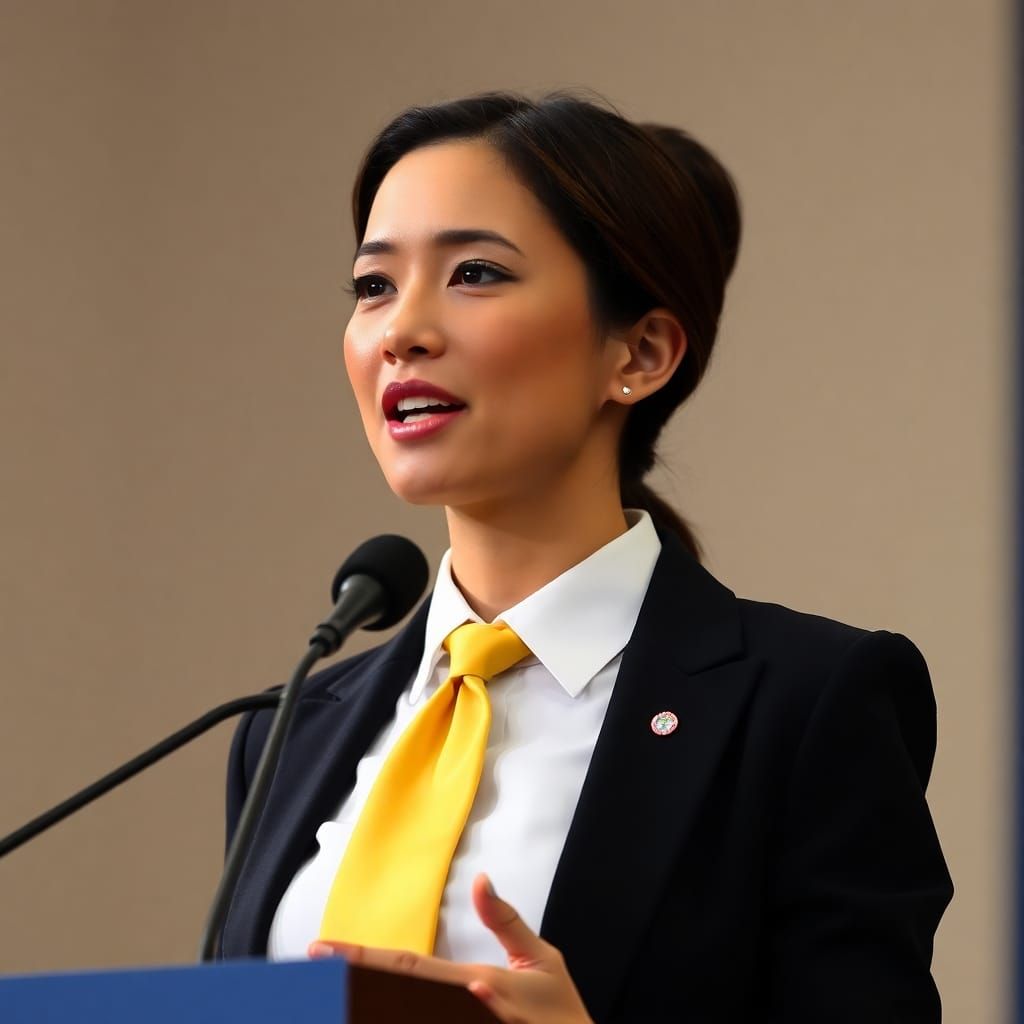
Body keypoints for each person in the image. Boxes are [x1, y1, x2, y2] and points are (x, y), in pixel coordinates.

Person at [220, 92, 953, 1022]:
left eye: (475, 272)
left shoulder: (809, 704)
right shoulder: (286, 730)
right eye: (373, 285)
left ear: (640, 353)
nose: (400, 329)